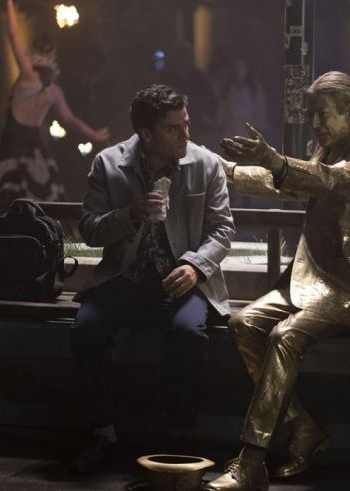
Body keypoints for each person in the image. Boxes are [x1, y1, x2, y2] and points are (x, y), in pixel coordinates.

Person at [206, 71, 350, 490]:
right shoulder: (335, 144)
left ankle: (250, 462)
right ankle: (303, 427)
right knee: (243, 324)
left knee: (285, 336)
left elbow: (333, 181)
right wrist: (227, 172)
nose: (314, 125)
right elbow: (293, 182)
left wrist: (276, 161)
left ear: (349, 111)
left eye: (321, 115)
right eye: (310, 115)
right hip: (315, 281)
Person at [69, 84, 234, 473]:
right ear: (145, 134)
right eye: (174, 128)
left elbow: (223, 230)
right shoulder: (108, 164)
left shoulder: (205, 164)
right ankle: (104, 433)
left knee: (188, 334)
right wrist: (131, 214)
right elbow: (90, 230)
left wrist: (194, 266)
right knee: (85, 329)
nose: (185, 135)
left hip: (183, 281)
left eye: (187, 124)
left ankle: (181, 435)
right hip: (126, 277)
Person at [0, 0, 110, 223]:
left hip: (15, 142)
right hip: (34, 144)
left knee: (14, 193)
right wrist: (94, 134)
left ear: (34, 54)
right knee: (34, 190)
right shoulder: (54, 91)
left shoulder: (29, 75)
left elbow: (13, 35)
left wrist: (10, 3)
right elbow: (71, 120)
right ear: (52, 59)